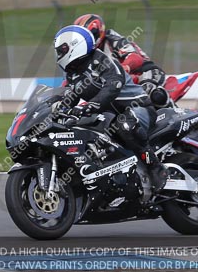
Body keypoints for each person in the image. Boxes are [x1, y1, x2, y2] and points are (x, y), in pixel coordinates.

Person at [53, 25, 168, 192]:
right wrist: (57, 110)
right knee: (81, 128)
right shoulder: (73, 74)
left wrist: (90, 105)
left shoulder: (103, 61)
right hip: (110, 116)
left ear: (76, 45)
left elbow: (112, 86)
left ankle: (155, 168)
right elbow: (71, 96)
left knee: (125, 124)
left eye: (62, 49)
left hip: (138, 107)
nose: (59, 54)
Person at [74, 13, 167, 92]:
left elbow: (135, 58)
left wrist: (122, 69)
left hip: (145, 73)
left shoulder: (113, 40)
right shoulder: (85, 52)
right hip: (119, 80)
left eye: (90, 35)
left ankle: (172, 111)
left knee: (148, 94)